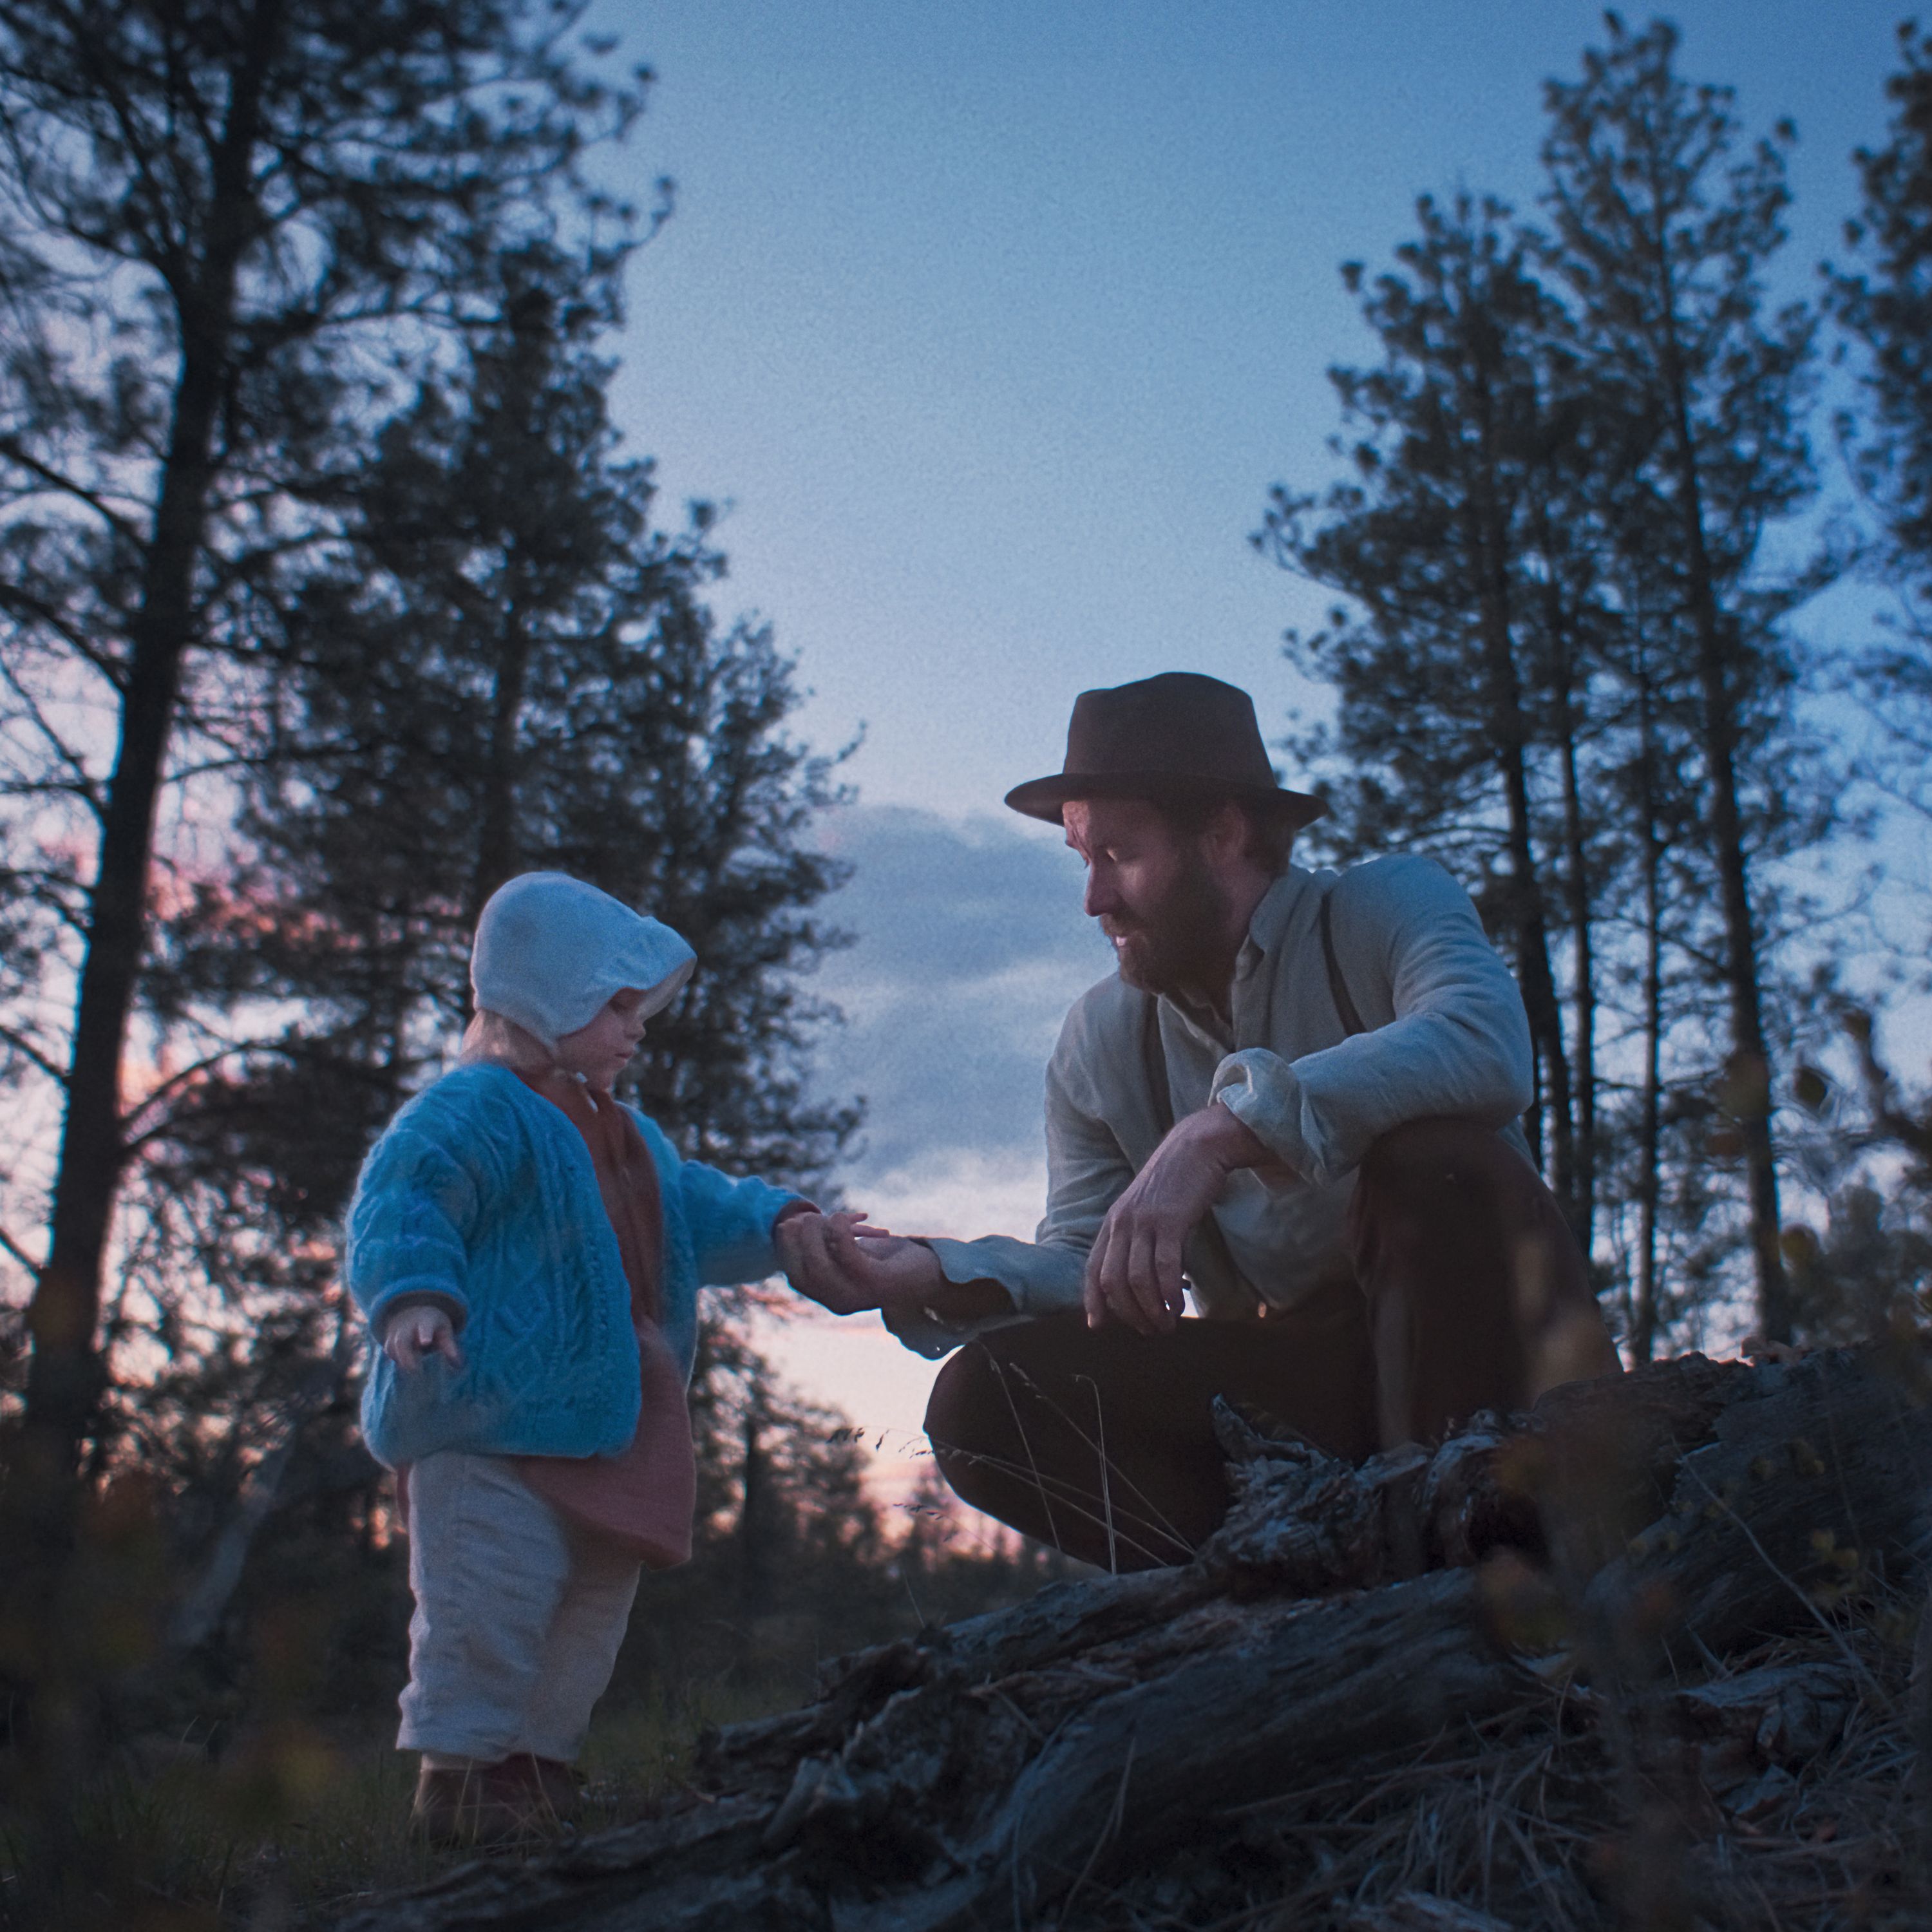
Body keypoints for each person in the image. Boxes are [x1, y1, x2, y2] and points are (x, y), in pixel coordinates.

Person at [779, 672, 1621, 1573]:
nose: (1094, 900)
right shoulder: (1103, 1041)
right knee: (987, 1401)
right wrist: (933, 1270)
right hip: (1319, 1378)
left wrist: (1218, 1133)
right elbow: (1086, 1260)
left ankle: (1498, 1573)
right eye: (1082, 859)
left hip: (1509, 1368)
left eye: (1119, 855)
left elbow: (1483, 1041)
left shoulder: (1382, 908)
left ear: (1222, 834)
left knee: (1436, 1163)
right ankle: (1280, 1601)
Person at [346, 871, 855, 1842]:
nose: (635, 1027)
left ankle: (536, 1780)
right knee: (484, 1615)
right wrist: (413, 1296)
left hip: (613, 1434)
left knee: (585, 1618)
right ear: (547, 999)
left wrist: (785, 1221)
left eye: (638, 1006)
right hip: (488, 1426)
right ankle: (457, 1791)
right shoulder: (475, 1110)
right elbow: (406, 1195)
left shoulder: (632, 1137)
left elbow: (698, 1206)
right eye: (613, 1005)